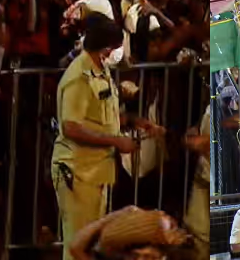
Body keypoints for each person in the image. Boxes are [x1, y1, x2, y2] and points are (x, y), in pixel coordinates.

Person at [52, 15, 163, 259]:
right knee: (77, 244)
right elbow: (70, 127)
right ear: (106, 49)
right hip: (77, 172)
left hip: (95, 173)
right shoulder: (78, 77)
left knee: (91, 244)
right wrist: (116, 141)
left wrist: (135, 121)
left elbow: (102, 118)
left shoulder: (101, 72)